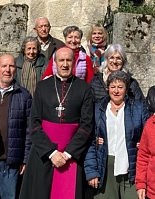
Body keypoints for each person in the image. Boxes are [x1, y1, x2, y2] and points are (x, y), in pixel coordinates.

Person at [20, 47, 94, 199]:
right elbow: (34, 123)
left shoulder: (84, 88)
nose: (65, 64)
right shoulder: (42, 87)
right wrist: (51, 153)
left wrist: (67, 154)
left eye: (68, 60)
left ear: (74, 63)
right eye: (61, 60)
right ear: (55, 62)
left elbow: (86, 125)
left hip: (71, 154)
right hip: (44, 153)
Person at [84, 71, 150, 199]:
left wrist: (144, 143)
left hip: (131, 166)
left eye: (120, 87)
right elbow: (89, 141)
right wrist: (92, 172)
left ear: (126, 90)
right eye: (113, 87)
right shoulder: (97, 109)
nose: (116, 91)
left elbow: (150, 132)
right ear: (107, 88)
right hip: (105, 165)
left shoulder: (138, 108)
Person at [0, 54, 32, 199]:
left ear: (16, 69)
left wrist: (25, 159)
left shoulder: (24, 95)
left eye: (11, 66)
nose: (7, 70)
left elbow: (29, 130)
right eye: (4, 66)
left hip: (11, 161)